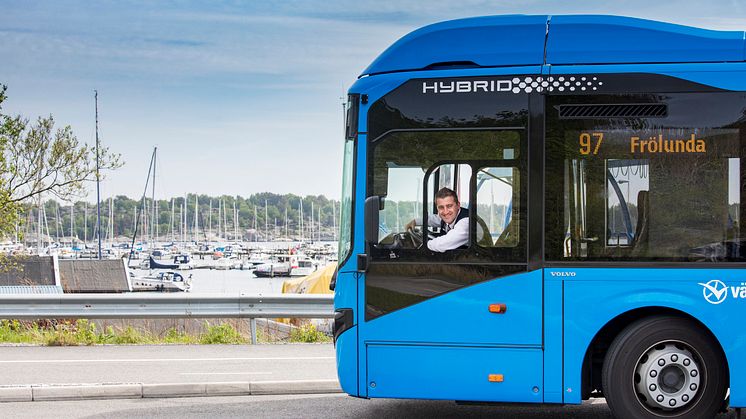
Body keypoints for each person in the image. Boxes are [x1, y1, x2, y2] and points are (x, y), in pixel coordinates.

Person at [406, 187, 468, 252]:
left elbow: (444, 244)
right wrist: (415, 221)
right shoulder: (449, 217)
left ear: (458, 205)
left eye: (449, 206)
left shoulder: (466, 223)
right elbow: (434, 219)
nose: (445, 212)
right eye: (441, 207)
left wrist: (423, 245)